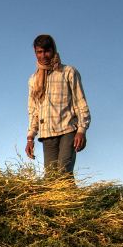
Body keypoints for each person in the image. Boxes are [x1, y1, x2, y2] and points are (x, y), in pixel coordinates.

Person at [25, 34, 92, 176]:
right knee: (51, 178)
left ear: (53, 50)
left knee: (63, 172)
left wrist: (81, 130)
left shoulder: (68, 72)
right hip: (47, 134)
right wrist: (30, 137)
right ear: (35, 53)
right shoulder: (33, 80)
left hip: (68, 130)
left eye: (47, 51)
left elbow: (80, 103)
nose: (43, 56)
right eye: (39, 52)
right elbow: (34, 111)